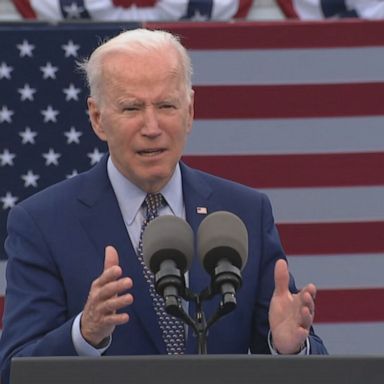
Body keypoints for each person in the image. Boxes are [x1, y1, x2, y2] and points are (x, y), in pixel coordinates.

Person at [0, 28, 327, 383]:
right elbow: (14, 369)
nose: (152, 127)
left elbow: (305, 357)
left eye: (166, 106)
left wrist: (289, 349)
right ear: (97, 118)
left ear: (189, 112)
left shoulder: (244, 212)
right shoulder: (42, 222)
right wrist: (85, 333)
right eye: (132, 108)